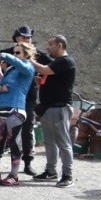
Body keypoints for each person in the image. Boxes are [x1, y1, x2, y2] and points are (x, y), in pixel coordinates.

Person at [0, 26, 52, 175]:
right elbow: (0, 82)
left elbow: (52, 68)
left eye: (29, 37)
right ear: (17, 38)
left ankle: (27, 163)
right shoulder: (9, 54)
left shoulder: (35, 55)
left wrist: (41, 79)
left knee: (27, 130)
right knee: (1, 133)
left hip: (27, 98)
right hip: (6, 99)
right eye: (24, 37)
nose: (27, 40)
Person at [0, 43, 36, 186]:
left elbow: (21, 66)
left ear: (26, 54)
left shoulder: (28, 67)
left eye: (18, 53)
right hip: (2, 109)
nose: (15, 55)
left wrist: (6, 55)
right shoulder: (11, 71)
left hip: (15, 110)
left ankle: (14, 176)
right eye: (14, 52)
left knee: (14, 143)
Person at [31, 35, 77, 188]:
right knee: (49, 142)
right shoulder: (56, 63)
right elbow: (46, 79)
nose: (48, 47)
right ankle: (51, 171)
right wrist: (39, 82)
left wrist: (27, 59)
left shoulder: (65, 61)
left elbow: (44, 70)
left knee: (63, 143)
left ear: (60, 45)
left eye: (50, 44)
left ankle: (67, 175)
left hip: (59, 108)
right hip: (48, 108)